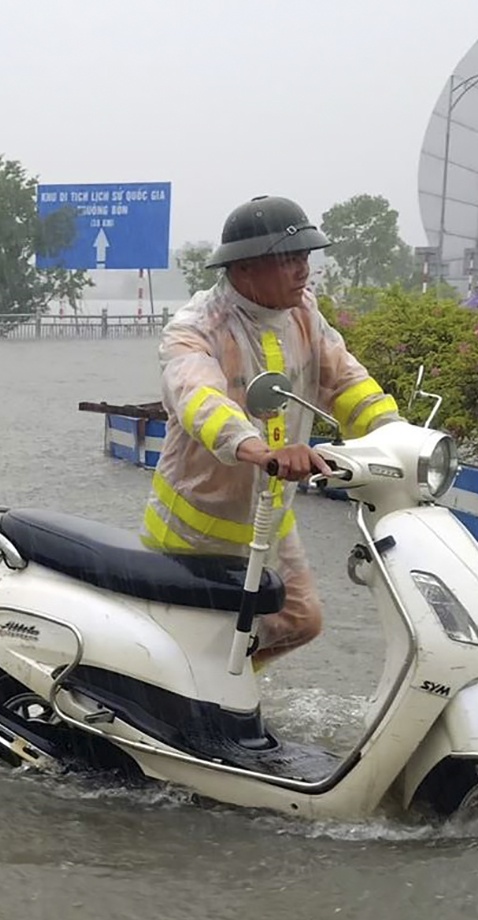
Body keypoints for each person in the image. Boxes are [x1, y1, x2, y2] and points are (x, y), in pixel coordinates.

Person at [145, 195, 402, 669]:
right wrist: (257, 449)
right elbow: (199, 398)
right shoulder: (196, 328)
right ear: (244, 268)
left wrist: (398, 434)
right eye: (288, 259)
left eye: (305, 257)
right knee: (190, 651)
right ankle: (202, 697)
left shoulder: (303, 313)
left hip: (270, 520)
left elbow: (345, 382)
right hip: (196, 532)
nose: (303, 270)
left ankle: (232, 692)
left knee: (299, 621)